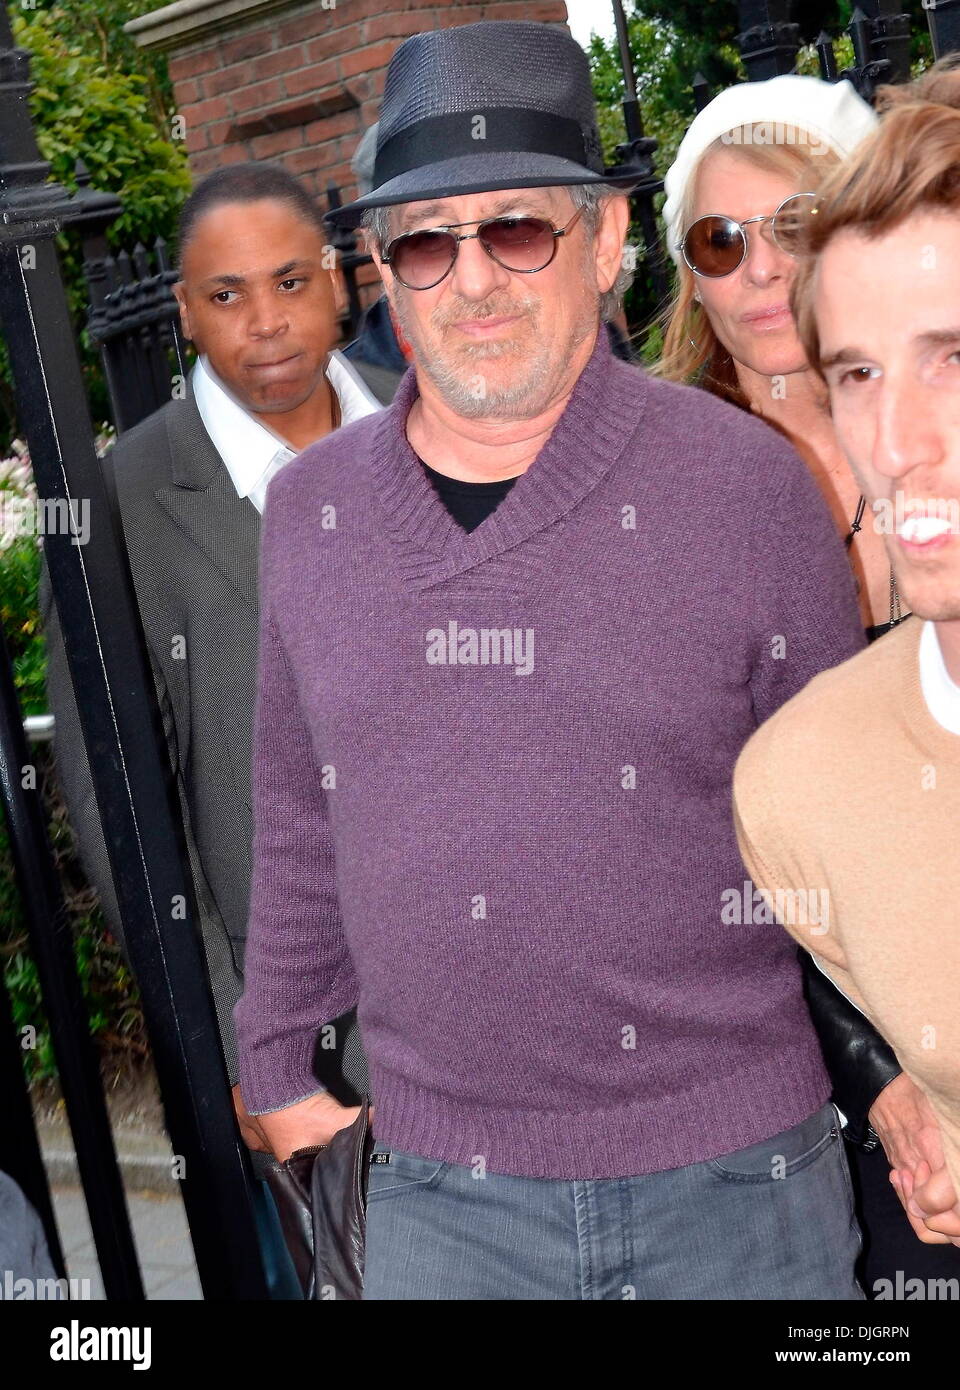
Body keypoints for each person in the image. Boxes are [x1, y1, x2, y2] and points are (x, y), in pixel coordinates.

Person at [235, 20, 867, 1300]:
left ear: (607, 239)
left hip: (742, 1192)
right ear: (381, 271)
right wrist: (275, 1071)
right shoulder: (312, 517)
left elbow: (849, 835)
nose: (474, 281)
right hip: (439, 1210)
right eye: (426, 241)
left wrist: (917, 1077)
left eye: (516, 228)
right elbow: (302, 815)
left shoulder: (748, 490)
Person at [42, 161, 381, 1296]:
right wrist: (245, 1043)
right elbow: (120, 807)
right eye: (225, 294)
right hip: (310, 1047)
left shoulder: (443, 421)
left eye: (289, 280)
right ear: (183, 311)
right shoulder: (122, 501)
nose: (266, 320)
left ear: (339, 281)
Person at [658, 74, 960, 1294]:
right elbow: (722, 839)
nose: (759, 269)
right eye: (719, 242)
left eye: (790, 227)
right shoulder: (667, 505)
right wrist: (883, 1077)